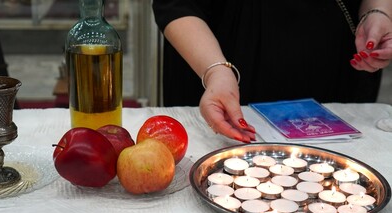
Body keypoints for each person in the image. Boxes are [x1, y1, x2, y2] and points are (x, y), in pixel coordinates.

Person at [152, 0, 392, 142]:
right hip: (217, 62)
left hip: (334, 76)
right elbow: (175, 4)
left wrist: (377, 12)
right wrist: (216, 72)